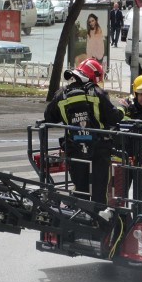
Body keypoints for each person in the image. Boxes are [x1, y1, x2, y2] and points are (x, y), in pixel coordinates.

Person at [44, 58, 123, 204]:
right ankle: (99, 220)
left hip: (74, 149)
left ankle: (81, 219)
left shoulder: (62, 94)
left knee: (80, 188)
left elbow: (49, 117)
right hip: (99, 150)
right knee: (100, 190)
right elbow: (113, 117)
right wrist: (123, 110)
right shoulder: (98, 93)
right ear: (94, 77)